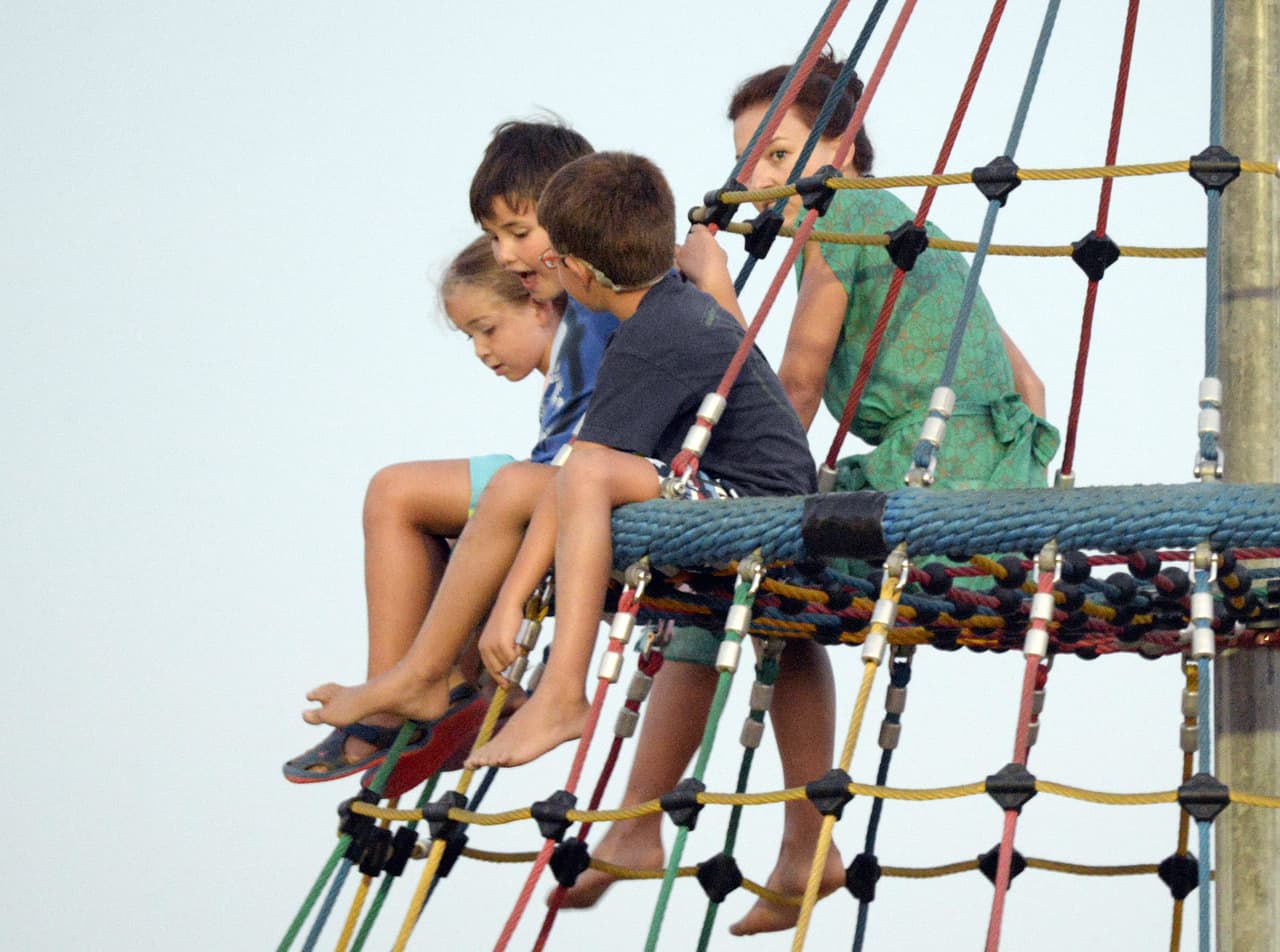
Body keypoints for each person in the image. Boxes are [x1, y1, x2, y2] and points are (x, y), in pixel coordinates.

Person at [561, 54, 1059, 935]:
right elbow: (1032, 390)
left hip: (935, 488)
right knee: (778, 593)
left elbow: (792, 390)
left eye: (775, 152)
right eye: (745, 158)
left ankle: (654, 818)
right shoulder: (910, 227)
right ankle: (794, 843)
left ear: (842, 143)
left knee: (739, 572)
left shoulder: (843, 221)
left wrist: (711, 296)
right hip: (993, 485)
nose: (752, 179)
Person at [459, 150, 818, 769]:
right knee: (586, 469)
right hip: (739, 492)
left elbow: (585, 470)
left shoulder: (651, 336)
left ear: (579, 272)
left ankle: (565, 693)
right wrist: (513, 598)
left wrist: (511, 598)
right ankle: (559, 694)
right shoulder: (670, 310)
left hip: (763, 510)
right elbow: (576, 476)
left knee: (591, 469)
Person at [287, 121, 618, 783]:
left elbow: (587, 452)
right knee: (424, 506)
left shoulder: (595, 302)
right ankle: (452, 679)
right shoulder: (578, 317)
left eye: (486, 328)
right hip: (555, 479)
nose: (483, 350)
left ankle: (402, 688)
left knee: (396, 493)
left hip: (566, 483)